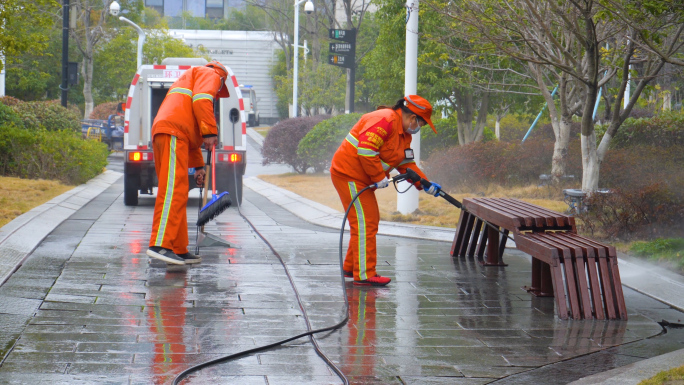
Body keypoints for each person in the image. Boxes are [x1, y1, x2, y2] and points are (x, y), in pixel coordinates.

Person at [330, 95, 444, 286]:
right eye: (422, 124)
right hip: (348, 174)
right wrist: (379, 177)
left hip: (362, 178)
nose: (419, 129)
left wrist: (425, 184)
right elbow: (366, 150)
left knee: (367, 221)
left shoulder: (403, 133)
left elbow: (406, 163)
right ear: (413, 118)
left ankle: (351, 267)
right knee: (365, 222)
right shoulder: (385, 119)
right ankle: (365, 274)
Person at [146, 61, 230, 266]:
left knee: (179, 191)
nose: (216, 94)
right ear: (221, 79)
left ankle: (178, 248)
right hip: (174, 133)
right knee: (173, 190)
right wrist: (210, 131)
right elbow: (202, 101)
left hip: (171, 133)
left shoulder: (191, 81)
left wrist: (199, 166)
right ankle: (159, 245)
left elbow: (190, 132)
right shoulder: (212, 75)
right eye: (219, 90)